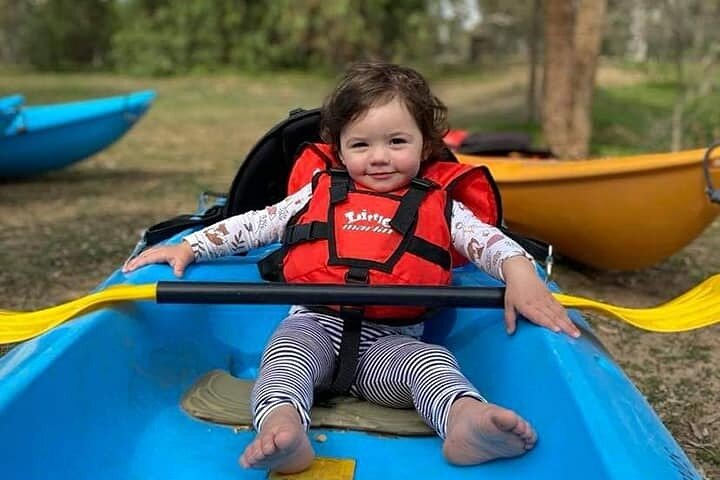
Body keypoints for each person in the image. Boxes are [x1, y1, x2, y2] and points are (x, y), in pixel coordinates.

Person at [123, 62, 581, 474]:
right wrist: (192, 247)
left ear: (425, 147)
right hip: (314, 326)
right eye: (361, 144)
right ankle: (284, 430)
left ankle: (465, 421)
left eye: (396, 141)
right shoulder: (317, 193)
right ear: (339, 151)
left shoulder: (442, 208)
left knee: (434, 366)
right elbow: (255, 224)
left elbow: (491, 243)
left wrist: (519, 272)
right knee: (283, 364)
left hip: (391, 346)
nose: (379, 156)